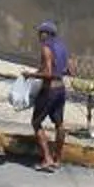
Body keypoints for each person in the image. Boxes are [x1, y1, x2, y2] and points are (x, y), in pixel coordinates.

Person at [29, 19, 71, 171]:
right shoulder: (62, 47)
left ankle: (47, 159)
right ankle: (58, 159)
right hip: (61, 90)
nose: (39, 36)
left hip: (49, 91)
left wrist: (31, 74)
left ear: (46, 34)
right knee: (59, 124)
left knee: (35, 123)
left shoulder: (46, 48)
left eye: (40, 33)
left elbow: (47, 73)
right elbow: (69, 70)